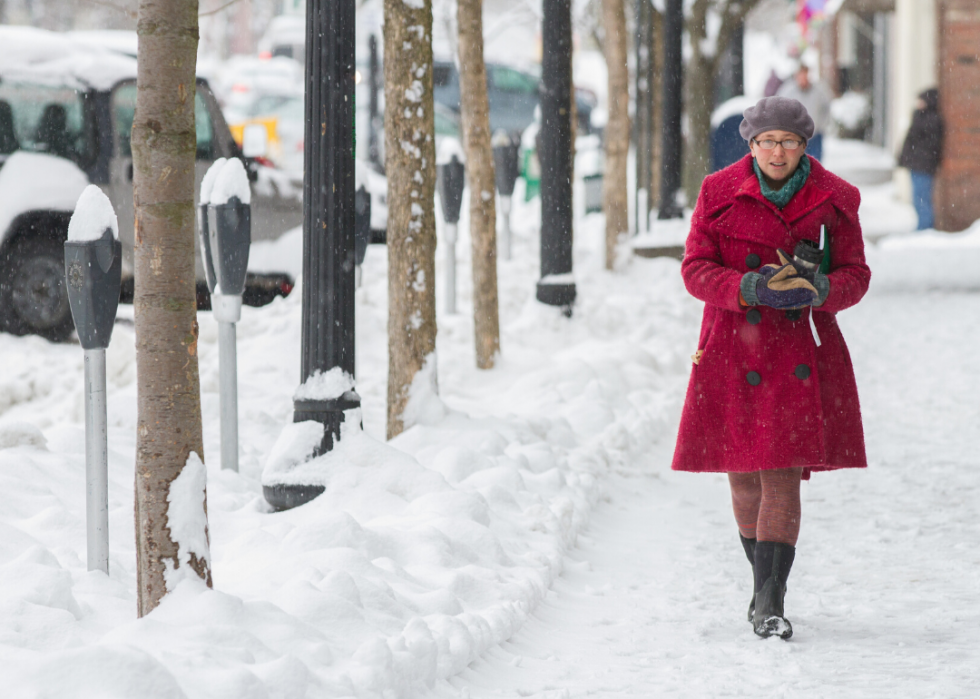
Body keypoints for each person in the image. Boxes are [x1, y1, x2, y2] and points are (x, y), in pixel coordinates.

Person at [672, 96, 871, 639]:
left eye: (787, 141)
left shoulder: (835, 199)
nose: (776, 152)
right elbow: (694, 269)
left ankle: (770, 601)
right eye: (765, 141)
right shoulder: (717, 192)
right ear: (750, 143)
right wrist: (748, 286)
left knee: (781, 473)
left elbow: (857, 274)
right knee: (743, 478)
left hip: (794, 352)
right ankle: (762, 586)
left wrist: (822, 288)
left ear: (804, 145)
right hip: (733, 347)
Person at [898, 88, 943, 230]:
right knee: (919, 198)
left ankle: (925, 228)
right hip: (918, 165)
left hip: (922, 166)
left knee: (922, 199)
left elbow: (924, 143)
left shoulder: (929, 119)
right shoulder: (922, 117)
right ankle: (923, 227)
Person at [777, 65, 832, 161]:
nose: (803, 78)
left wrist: (822, 125)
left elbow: (826, 108)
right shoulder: (788, 92)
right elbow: (779, 109)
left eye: (805, 75)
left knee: (815, 164)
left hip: (815, 135)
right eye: (800, 75)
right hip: (795, 137)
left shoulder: (819, 92)